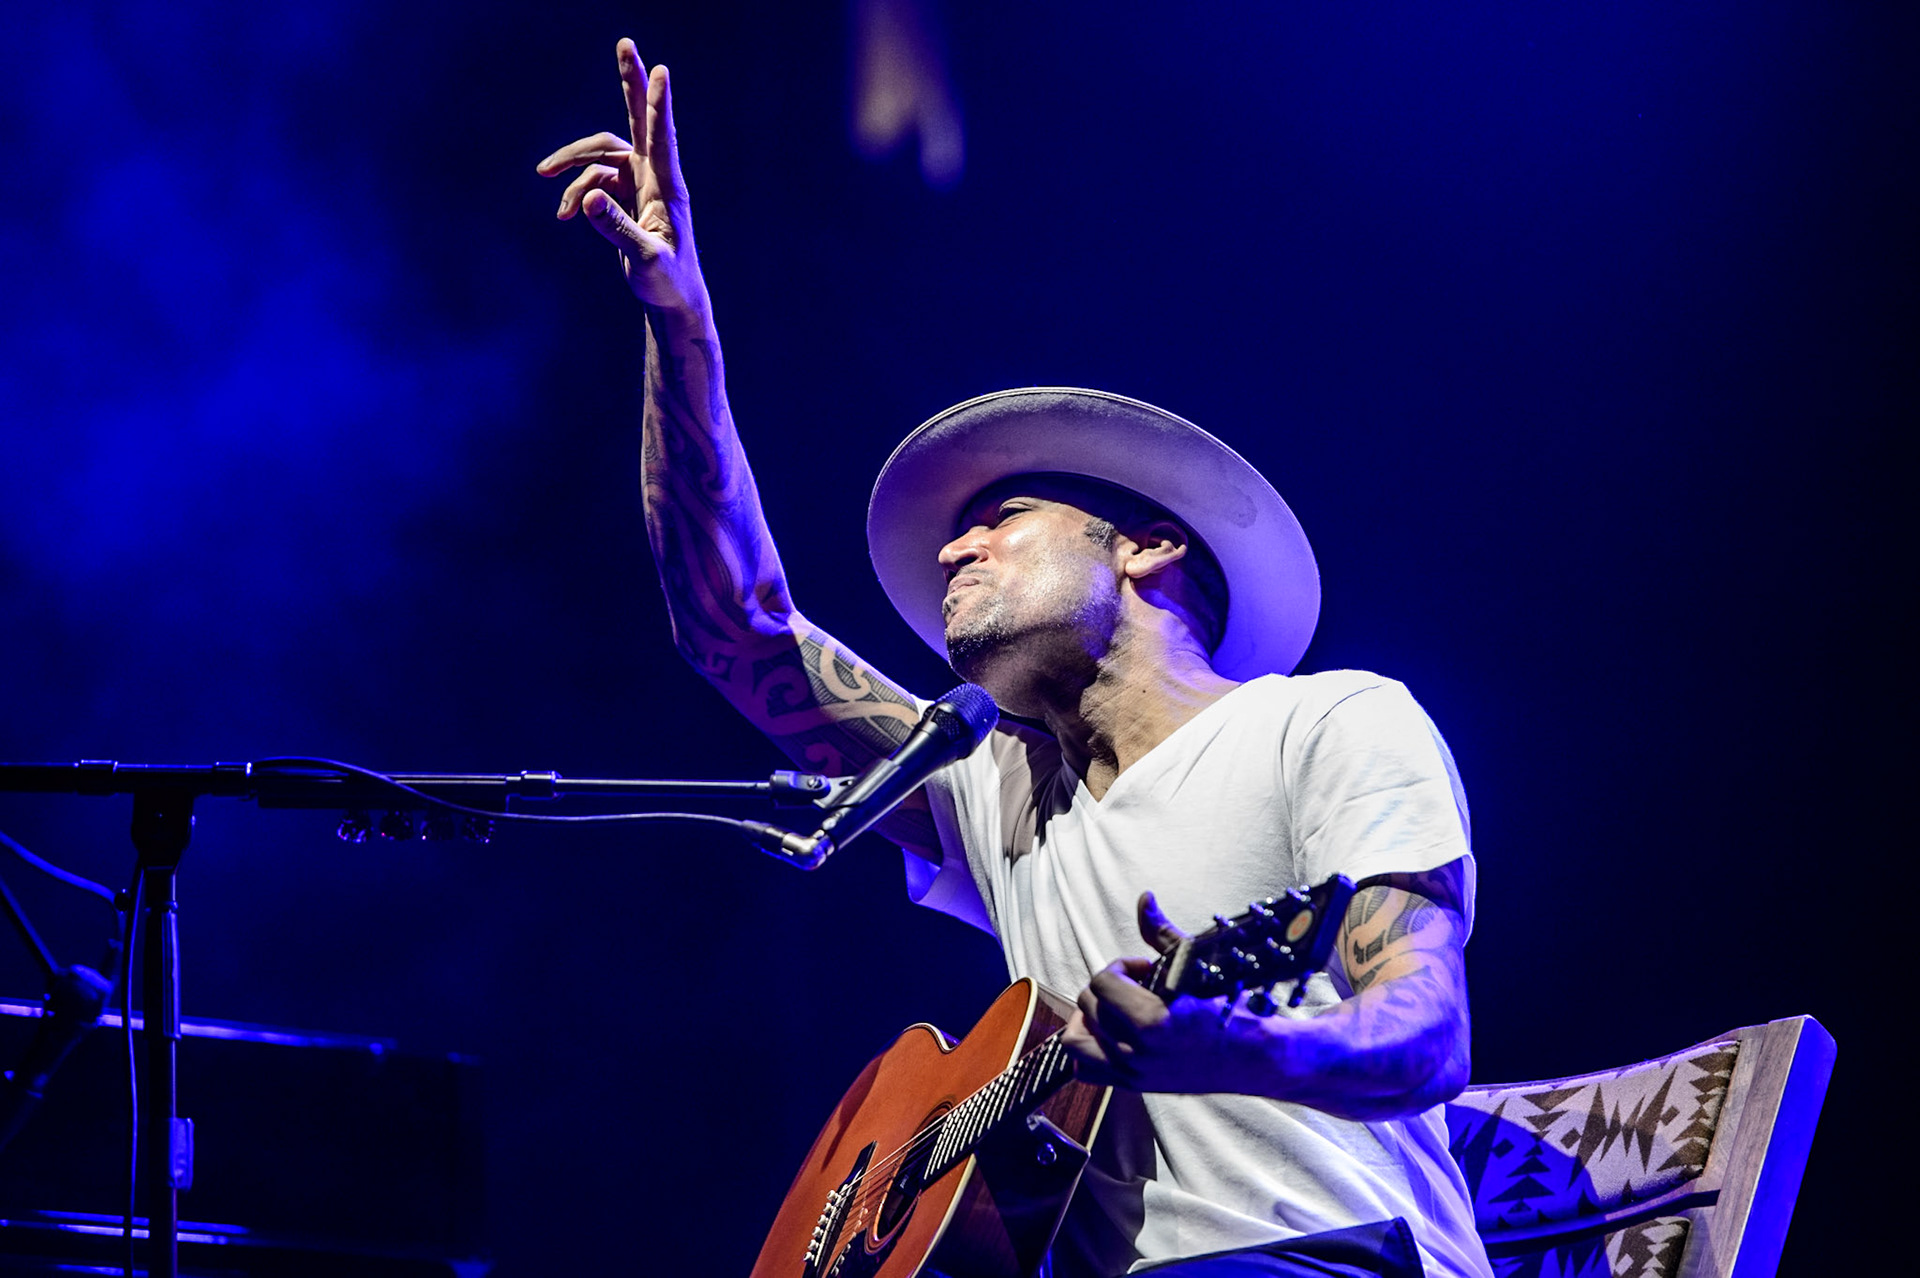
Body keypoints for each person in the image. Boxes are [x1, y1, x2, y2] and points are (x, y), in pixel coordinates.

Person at [539, 39, 1493, 1278]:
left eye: (1002, 519)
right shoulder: (1002, 796)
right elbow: (738, 627)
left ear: (1148, 546)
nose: (953, 551)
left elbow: (1426, 1031)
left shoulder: (1329, 724)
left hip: (1331, 1256)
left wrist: (1233, 1049)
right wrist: (681, 322)